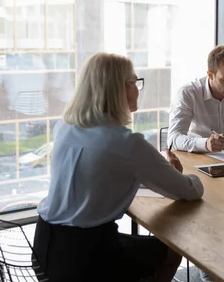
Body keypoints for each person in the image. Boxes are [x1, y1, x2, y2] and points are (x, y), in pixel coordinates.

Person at [33, 53, 204, 282]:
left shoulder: (64, 126)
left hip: (44, 247)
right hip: (87, 260)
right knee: (172, 249)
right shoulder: (128, 143)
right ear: (121, 88)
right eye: (135, 82)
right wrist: (178, 172)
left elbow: (100, 172)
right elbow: (190, 191)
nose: (137, 89)